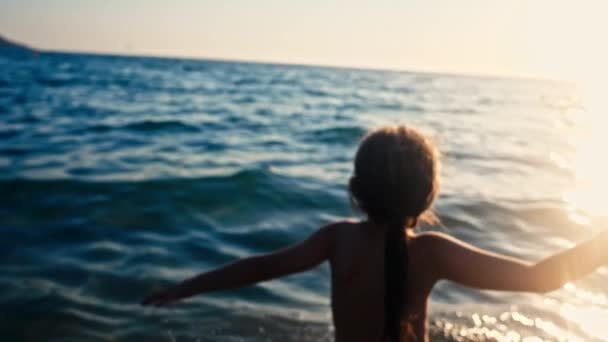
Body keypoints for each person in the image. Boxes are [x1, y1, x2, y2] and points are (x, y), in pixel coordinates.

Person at [141, 125, 608, 342]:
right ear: (428, 197)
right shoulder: (431, 253)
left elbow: (262, 267)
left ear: (355, 191)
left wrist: (186, 287)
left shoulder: (336, 239)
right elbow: (541, 278)